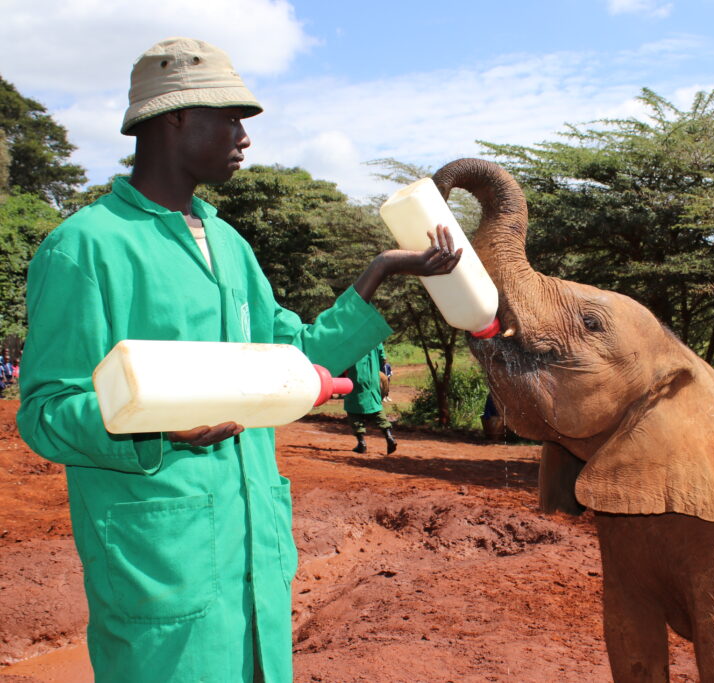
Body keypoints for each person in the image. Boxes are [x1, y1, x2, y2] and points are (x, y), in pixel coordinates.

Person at [16, 37, 461, 683]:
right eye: (230, 118)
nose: (245, 136)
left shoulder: (229, 243)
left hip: (255, 543)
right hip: (161, 556)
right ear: (175, 117)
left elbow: (294, 355)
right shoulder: (86, 247)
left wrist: (381, 271)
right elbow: (47, 411)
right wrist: (155, 424)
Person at [343, 342, 395, 454]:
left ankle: (361, 443)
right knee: (376, 406)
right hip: (373, 378)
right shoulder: (376, 338)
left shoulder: (351, 337)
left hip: (355, 377)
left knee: (353, 409)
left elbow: (343, 359)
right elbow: (383, 360)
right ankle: (389, 436)